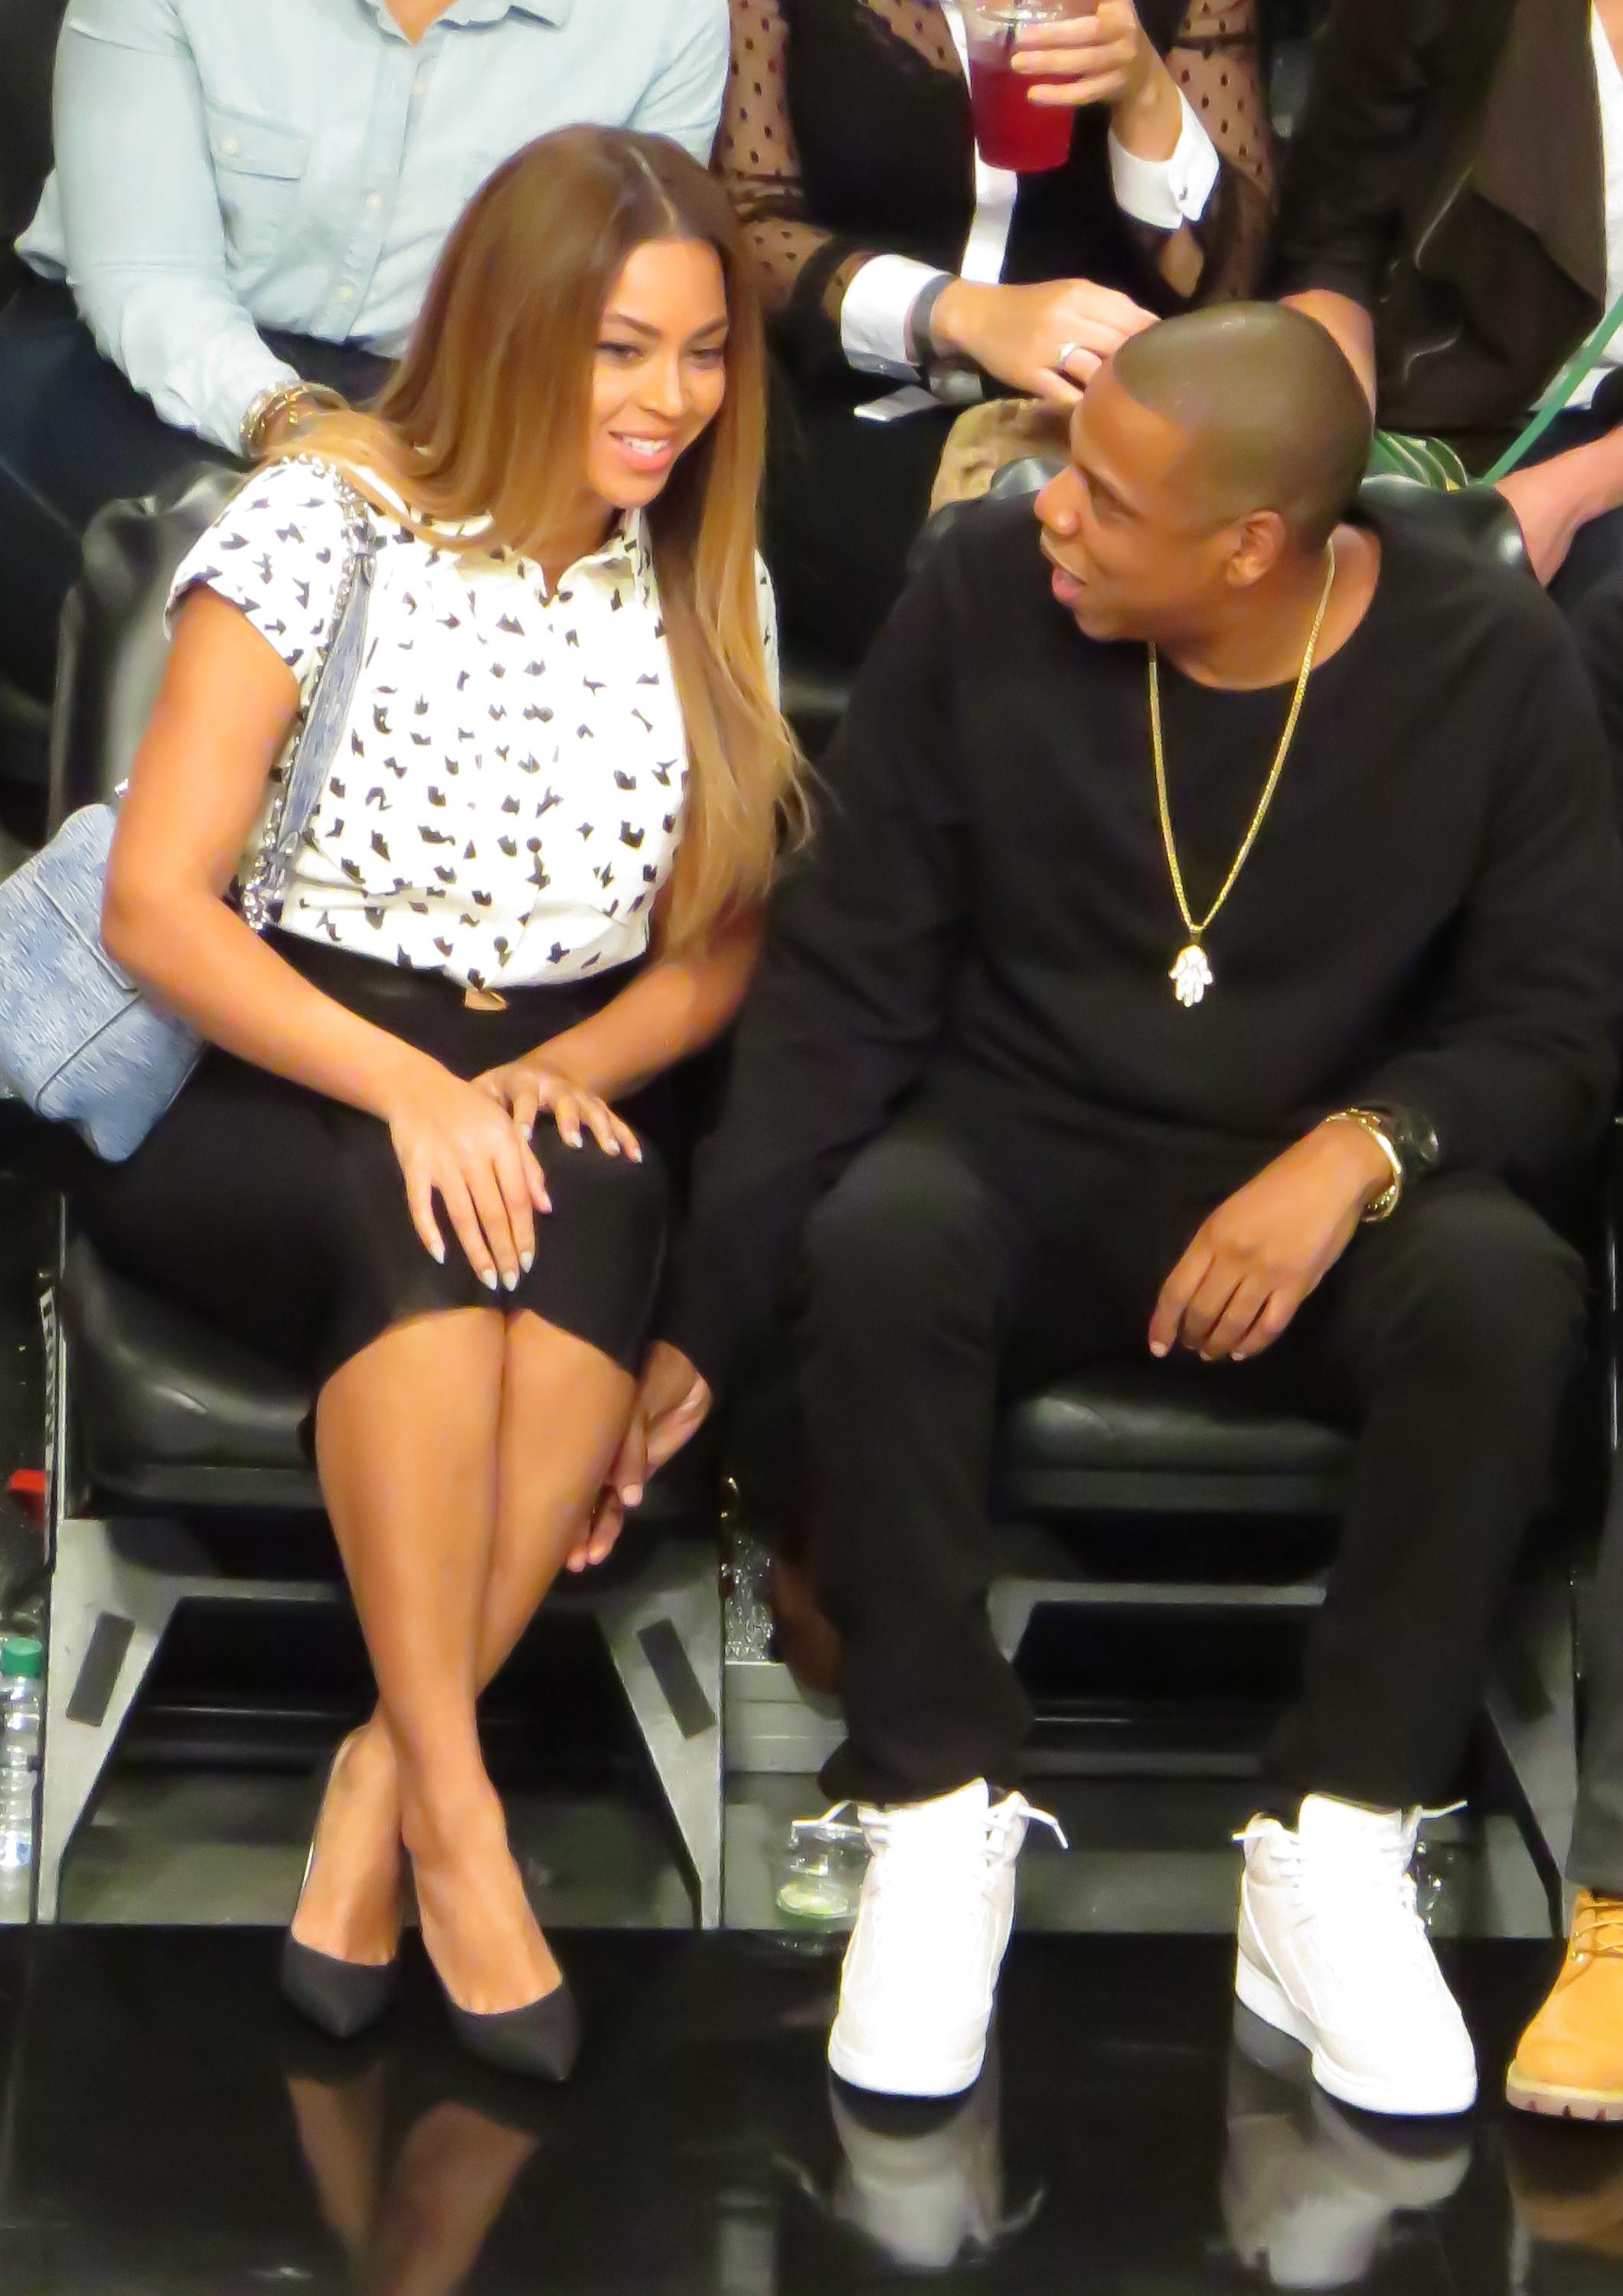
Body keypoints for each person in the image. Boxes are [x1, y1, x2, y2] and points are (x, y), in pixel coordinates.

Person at [605, 304, 1623, 2115]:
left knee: (1500, 1286)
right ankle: (928, 1809)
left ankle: (1331, 1837)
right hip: (1024, 1143)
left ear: (1250, 545)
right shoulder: (982, 593)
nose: (1047, 511)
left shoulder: (1484, 656)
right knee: (881, 1233)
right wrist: (701, 1307)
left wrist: (1357, 1150)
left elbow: (1553, 1029)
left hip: (1323, 1180)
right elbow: (841, 986)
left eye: (1105, 498)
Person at [67, 125, 802, 2079]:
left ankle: (382, 1787)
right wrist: (418, 1087)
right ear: (510, 328)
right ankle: (464, 1837)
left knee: (580, 1211)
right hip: (277, 1052)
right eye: (619, 348)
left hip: (552, 1053)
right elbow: (155, 906)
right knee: (429, 1218)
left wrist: (556, 1069)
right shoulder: (321, 525)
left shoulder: (705, 575)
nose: (667, 400)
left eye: (702, 351)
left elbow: (716, 948)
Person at [0, 0, 730, 723]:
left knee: (468, 610)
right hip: (127, 361)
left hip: (456, 394)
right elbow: (149, 277)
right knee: (236, 567)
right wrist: (296, 425)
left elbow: (631, 302)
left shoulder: (666, 17)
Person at [717, 0, 1274, 665]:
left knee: (1174, 570)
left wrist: (1146, 91)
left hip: (1098, 418)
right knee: (993, 585)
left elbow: (1227, 287)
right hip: (841, 401)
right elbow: (746, 227)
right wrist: (963, 314)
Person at [1275, 0, 1623, 812]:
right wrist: (1332, 427)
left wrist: (1570, 492)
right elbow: (1330, 244)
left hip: (1603, 452)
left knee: (1576, 652)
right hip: (1434, 406)